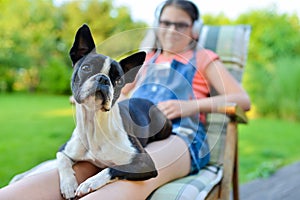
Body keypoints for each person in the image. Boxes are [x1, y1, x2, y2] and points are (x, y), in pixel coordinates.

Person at [0, 0, 250, 199]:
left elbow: (243, 99)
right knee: (63, 178)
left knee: (137, 175)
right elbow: (124, 95)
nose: (171, 30)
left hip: (179, 132)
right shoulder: (148, 58)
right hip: (125, 128)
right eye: (165, 23)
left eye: (181, 25)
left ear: (195, 28)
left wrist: (189, 106)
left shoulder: (203, 57)